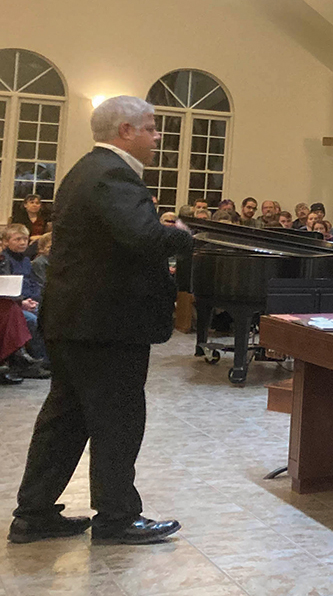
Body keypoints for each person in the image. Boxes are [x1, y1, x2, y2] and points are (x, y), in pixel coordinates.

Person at [10, 95, 192, 546]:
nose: (158, 135)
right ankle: (117, 518)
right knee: (118, 420)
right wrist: (182, 237)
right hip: (106, 324)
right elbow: (143, 237)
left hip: (78, 320)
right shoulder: (112, 174)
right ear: (125, 131)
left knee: (65, 420)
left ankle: (34, 514)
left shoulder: (84, 170)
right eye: (151, 127)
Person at [0, 224, 49, 379]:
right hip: (14, 302)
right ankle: (36, 360)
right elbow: (6, 287)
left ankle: (43, 359)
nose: (22, 242)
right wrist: (23, 302)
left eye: (25, 239)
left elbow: (34, 283)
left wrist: (33, 300)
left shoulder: (27, 261)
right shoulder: (4, 260)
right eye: (18, 239)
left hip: (24, 300)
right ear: (6, 242)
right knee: (31, 319)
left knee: (47, 313)